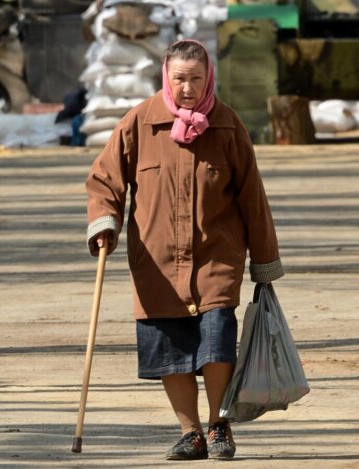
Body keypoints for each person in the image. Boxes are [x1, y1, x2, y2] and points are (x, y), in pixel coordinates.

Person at [85, 39, 283, 461]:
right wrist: (105, 222)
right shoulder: (139, 123)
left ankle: (218, 425)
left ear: (208, 77)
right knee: (171, 350)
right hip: (156, 261)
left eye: (196, 79)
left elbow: (253, 197)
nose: (188, 88)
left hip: (216, 255)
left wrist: (264, 261)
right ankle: (190, 432)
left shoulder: (227, 126)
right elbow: (106, 180)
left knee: (216, 341)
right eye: (180, 79)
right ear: (166, 77)